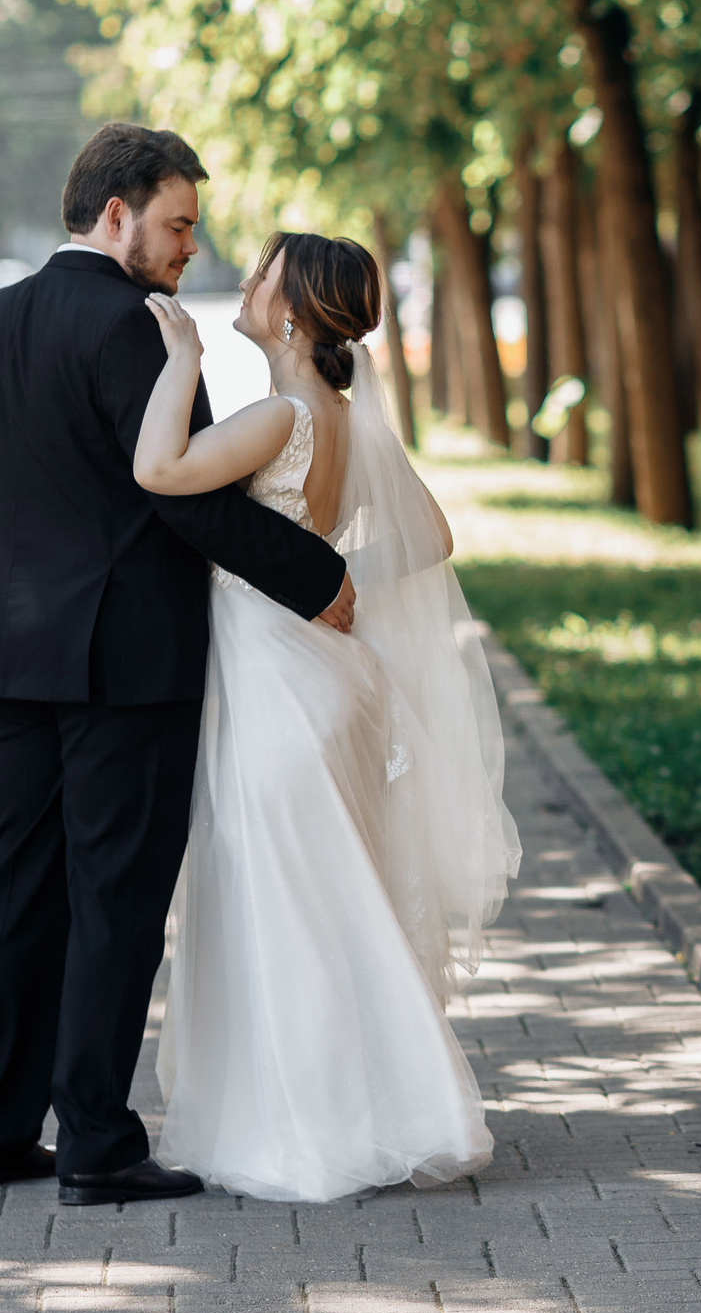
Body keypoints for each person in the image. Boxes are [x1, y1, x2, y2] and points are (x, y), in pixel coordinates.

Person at [0, 124, 356, 1207]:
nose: (187, 251)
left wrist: (4, 613)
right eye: (176, 225)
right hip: (127, 661)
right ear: (114, 212)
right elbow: (187, 502)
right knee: (115, 898)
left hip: (12, 651)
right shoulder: (136, 328)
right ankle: (97, 1143)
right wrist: (317, 581)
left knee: (22, 889)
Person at [132, 231, 519, 1202]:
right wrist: (343, 583)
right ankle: (394, 1109)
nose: (246, 280)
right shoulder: (345, 416)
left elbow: (159, 473)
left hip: (278, 685)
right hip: (331, 673)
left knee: (292, 906)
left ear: (294, 310)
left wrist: (180, 362)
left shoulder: (281, 415)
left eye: (262, 272)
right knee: (339, 898)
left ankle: (317, 1131)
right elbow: (430, 534)